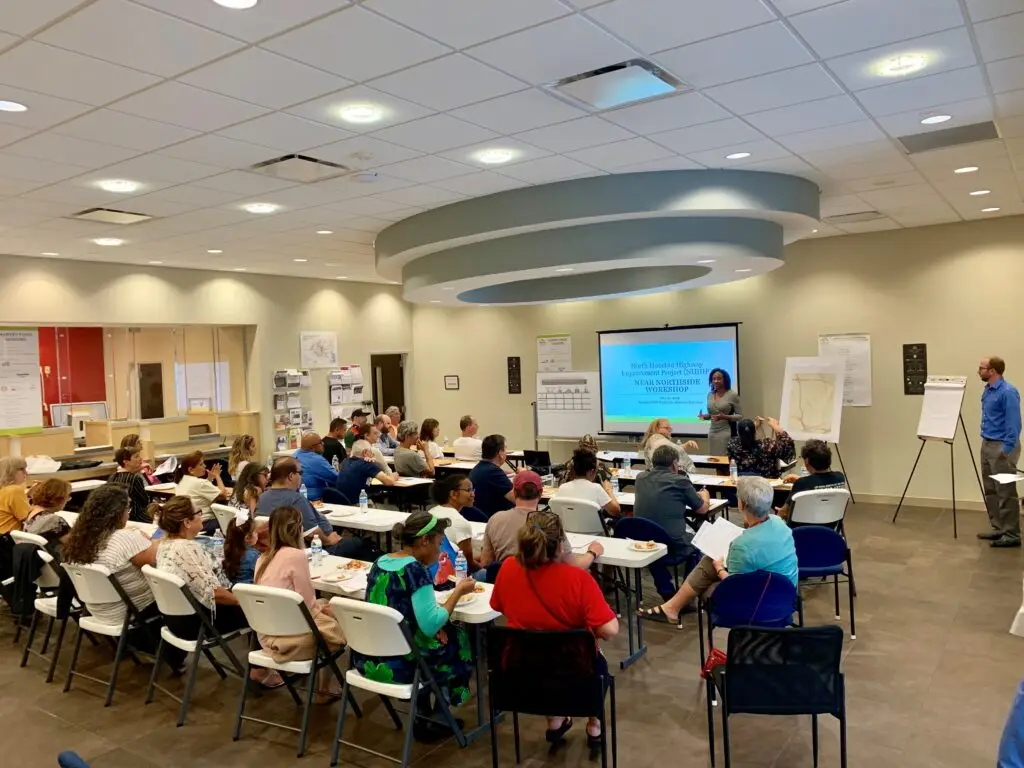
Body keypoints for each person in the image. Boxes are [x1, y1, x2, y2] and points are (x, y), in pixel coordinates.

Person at [490, 509, 618, 747]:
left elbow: (497, 605)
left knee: (541, 653)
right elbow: (610, 630)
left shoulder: (507, 568)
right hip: (574, 670)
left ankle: (555, 721)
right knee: (595, 659)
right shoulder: (578, 579)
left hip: (520, 670)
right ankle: (593, 725)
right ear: (560, 547)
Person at [355, 510, 476, 739]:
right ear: (425, 540)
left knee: (440, 636)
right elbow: (430, 625)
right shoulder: (415, 571)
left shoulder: (380, 562)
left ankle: (422, 710)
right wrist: (458, 592)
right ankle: (440, 716)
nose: (440, 550)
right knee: (457, 640)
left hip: (370, 656)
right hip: (402, 664)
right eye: (439, 543)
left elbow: (398, 611)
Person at [640, 477, 798, 626]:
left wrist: (719, 568)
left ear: (741, 504)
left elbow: (732, 584)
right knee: (711, 559)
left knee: (711, 564)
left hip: (757, 603)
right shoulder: (780, 523)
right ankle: (672, 608)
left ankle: (673, 607)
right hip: (786, 596)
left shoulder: (742, 545)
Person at [62, 485, 186, 669]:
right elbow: (160, 557)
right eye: (127, 508)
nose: (128, 514)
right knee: (186, 587)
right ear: (117, 513)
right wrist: (157, 534)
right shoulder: (122, 538)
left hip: (98, 609)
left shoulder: (79, 538)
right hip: (132, 611)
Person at [254, 505, 343, 696]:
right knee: (337, 618)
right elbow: (308, 603)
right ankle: (324, 689)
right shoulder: (296, 556)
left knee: (325, 606)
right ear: (299, 529)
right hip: (291, 639)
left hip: (265, 634)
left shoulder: (262, 558)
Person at [152, 496, 249, 636]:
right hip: (197, 624)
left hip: (174, 620)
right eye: (199, 513)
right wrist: (243, 602)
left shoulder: (164, 544)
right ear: (187, 522)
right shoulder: (187, 549)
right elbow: (214, 594)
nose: (201, 516)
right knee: (263, 611)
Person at [479, 471, 603, 569]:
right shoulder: (549, 524)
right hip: (540, 586)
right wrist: (592, 552)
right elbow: (575, 566)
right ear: (541, 493)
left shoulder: (495, 519)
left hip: (505, 585)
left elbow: (486, 563)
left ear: (515, 492)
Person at [634, 445, 711, 600]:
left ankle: (666, 590)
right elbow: (702, 509)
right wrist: (705, 496)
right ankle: (684, 596)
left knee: (654, 542)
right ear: (675, 464)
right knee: (699, 545)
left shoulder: (640, 478)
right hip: (673, 543)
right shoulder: (680, 481)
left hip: (643, 540)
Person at [256, 458, 373, 560]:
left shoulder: (260, 498)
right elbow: (311, 533)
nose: (301, 476)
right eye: (300, 473)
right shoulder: (296, 499)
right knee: (361, 544)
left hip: (273, 553)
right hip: (311, 551)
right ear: (291, 476)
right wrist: (328, 540)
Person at [978, 356, 1023, 547]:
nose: (978, 371)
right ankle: (999, 528)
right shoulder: (988, 390)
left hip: (1002, 446)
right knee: (991, 490)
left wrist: (1007, 449)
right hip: (987, 444)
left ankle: (1012, 534)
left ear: (993, 371)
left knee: (1005, 491)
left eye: (982, 368)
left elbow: (1014, 423)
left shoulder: (1008, 392)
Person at [775, 440, 847, 522]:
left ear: (807, 461)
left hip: (803, 529)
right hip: (831, 527)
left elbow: (785, 513)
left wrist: (778, 513)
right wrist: (800, 479)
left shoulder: (802, 483)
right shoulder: (840, 477)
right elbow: (820, 483)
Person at [428, 475, 481, 572]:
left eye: (473, 490)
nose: (473, 494)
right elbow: (469, 565)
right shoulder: (461, 523)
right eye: (469, 490)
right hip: (452, 574)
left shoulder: (431, 512)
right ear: (453, 494)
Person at [555, 450, 621, 519]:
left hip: (567, 529)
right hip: (594, 529)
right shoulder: (596, 488)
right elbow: (616, 511)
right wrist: (608, 490)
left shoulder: (563, 488)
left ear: (574, 470)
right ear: (592, 471)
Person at [174, 451, 229, 533]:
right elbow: (223, 494)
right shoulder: (200, 483)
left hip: (189, 523)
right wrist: (217, 476)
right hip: (205, 522)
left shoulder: (182, 481)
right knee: (233, 522)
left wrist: (210, 478)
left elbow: (200, 490)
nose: (205, 466)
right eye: (201, 464)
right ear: (191, 470)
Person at [726, 417, 795, 478]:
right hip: (766, 487)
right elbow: (788, 444)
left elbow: (745, 436)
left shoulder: (733, 445)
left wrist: (754, 426)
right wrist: (775, 425)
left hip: (742, 485)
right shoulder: (767, 445)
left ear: (738, 433)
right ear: (755, 431)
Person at [335, 440, 397, 504]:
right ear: (365, 452)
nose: (372, 455)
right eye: (371, 452)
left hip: (342, 503)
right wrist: (393, 476)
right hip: (358, 504)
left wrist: (373, 463)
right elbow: (390, 482)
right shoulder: (366, 464)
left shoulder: (345, 462)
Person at [468, 434, 515, 517]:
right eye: (505, 448)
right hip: (495, 519)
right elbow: (517, 499)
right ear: (500, 453)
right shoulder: (494, 472)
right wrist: (523, 476)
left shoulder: (479, 468)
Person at [699, 368, 742, 456]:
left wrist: (725, 417)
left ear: (725, 379)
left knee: (725, 460)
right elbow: (712, 414)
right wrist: (704, 416)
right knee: (714, 460)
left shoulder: (732, 395)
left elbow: (740, 416)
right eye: (713, 379)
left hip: (725, 432)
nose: (716, 381)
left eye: (719, 378)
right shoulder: (710, 395)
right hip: (712, 432)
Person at [24, 478, 72, 553]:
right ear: (59, 498)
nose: (68, 499)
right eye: (68, 496)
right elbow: (75, 545)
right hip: (55, 561)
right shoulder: (54, 520)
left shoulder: (31, 511)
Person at [107, 446, 151, 522]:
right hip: (135, 516)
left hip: (116, 518)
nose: (140, 459)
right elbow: (145, 501)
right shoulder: (135, 478)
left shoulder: (112, 477)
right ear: (126, 461)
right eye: (136, 457)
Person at [294, 432, 338, 502]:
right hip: (315, 500)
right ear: (313, 447)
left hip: (298, 498)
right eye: (320, 442)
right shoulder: (316, 460)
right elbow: (337, 478)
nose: (323, 444)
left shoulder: (295, 454)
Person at [222, 508, 260, 586]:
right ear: (247, 538)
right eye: (255, 531)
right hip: (252, 591)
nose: (257, 533)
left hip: (236, 591)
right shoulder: (254, 556)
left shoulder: (229, 550)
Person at [0, 457, 31, 535]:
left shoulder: (4, 490)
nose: (26, 473)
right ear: (10, 472)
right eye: (22, 469)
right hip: (8, 540)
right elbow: (28, 518)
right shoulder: (15, 490)